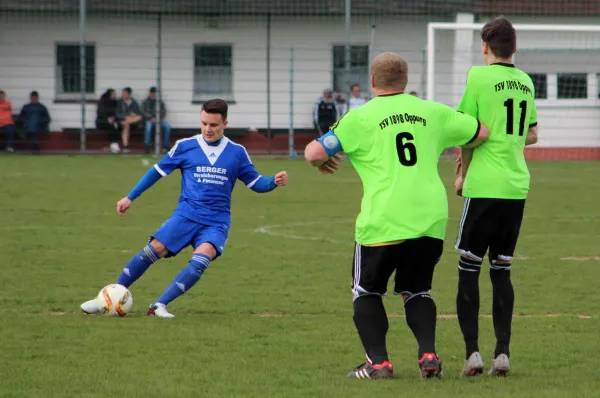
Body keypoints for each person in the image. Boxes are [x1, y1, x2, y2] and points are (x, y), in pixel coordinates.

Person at [304, 52, 489, 379]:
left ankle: (379, 364)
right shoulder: (432, 111)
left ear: (373, 82)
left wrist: (321, 161)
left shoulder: (360, 117)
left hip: (383, 220)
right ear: (406, 81)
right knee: (417, 290)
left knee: (365, 291)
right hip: (430, 218)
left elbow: (314, 152)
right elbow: (480, 132)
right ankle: (429, 357)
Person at [80, 99, 288, 318]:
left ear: (225, 123)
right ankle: (107, 297)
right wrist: (130, 197)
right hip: (186, 215)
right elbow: (156, 172)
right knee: (153, 250)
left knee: (202, 259)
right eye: (204, 123)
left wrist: (273, 181)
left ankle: (159, 305)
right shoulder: (185, 146)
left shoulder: (237, 153)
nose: (208, 129)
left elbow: (257, 184)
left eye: (214, 125)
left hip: (216, 222)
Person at [453, 16, 538, 377]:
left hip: (484, 185)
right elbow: (532, 135)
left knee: (469, 269)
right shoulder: (525, 81)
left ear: (484, 47)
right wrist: (508, 136)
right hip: (516, 186)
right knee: (501, 270)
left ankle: (473, 354)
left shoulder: (477, 76)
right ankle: (502, 353)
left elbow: (466, 130)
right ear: (514, 48)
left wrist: (461, 174)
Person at [142, 86, 171, 154]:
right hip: (149, 120)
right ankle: (147, 146)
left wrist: (159, 118)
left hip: (159, 120)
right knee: (148, 128)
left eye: (154, 93)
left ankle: (166, 146)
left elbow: (164, 111)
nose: (153, 94)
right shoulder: (145, 102)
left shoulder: (160, 102)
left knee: (167, 127)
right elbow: (143, 111)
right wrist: (151, 117)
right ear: (150, 93)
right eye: (152, 93)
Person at [116, 87, 143, 153]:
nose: (123, 95)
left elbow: (138, 113)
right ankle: (126, 146)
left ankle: (128, 121)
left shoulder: (134, 102)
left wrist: (133, 114)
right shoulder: (119, 102)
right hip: (122, 121)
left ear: (129, 94)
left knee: (139, 117)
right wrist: (126, 117)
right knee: (126, 125)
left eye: (125, 93)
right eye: (123, 93)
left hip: (133, 121)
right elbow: (117, 114)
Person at [96, 89, 120, 153]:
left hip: (113, 120)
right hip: (102, 121)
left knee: (117, 126)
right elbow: (100, 113)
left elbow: (116, 113)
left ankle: (114, 145)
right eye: (114, 94)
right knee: (112, 127)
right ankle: (114, 145)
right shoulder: (102, 102)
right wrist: (107, 118)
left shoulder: (115, 102)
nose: (115, 95)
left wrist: (114, 118)